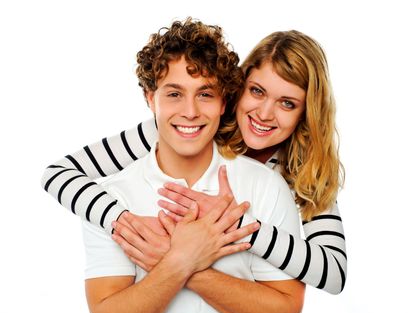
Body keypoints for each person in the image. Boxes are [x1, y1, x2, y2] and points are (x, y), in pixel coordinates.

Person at [41, 23, 346, 294]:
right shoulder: (192, 126)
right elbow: (58, 174)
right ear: (237, 89)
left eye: (287, 103)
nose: (264, 114)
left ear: (307, 113)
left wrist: (239, 226)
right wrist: (124, 222)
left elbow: (333, 272)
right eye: (257, 91)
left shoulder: (304, 174)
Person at [77, 19, 304, 313]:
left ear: (224, 102)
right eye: (174, 94)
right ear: (149, 98)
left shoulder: (264, 187)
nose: (190, 111)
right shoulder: (111, 199)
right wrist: (182, 260)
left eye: (205, 94)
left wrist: (181, 263)